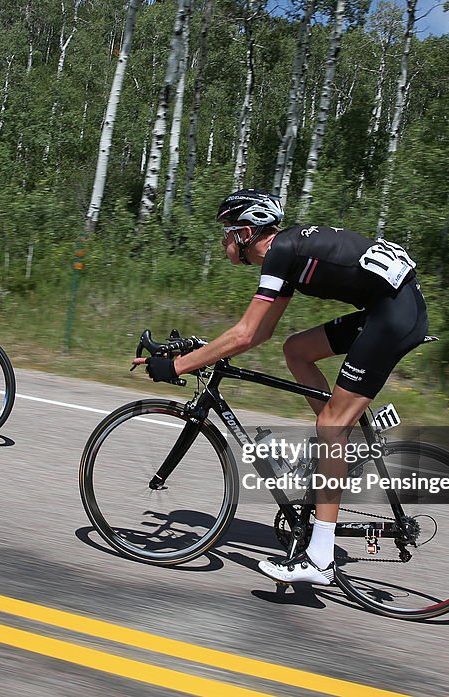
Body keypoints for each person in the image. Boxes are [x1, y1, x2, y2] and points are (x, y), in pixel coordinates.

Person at [133, 189, 428, 585]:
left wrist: (177, 366)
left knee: (331, 430)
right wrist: (200, 350)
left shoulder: (281, 252)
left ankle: (320, 559)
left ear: (247, 232)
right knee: (297, 351)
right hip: (390, 307)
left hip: (394, 316)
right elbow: (262, 333)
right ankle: (333, 446)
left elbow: (245, 333)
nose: (223, 240)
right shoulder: (287, 255)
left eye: (227, 231)